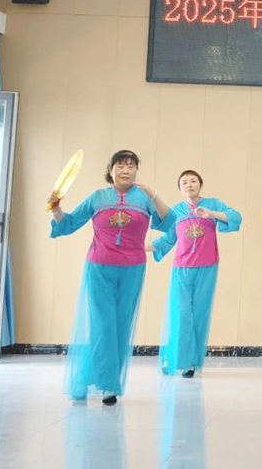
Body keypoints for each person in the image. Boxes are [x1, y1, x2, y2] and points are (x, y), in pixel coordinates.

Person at [49, 149, 170, 403]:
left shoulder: (144, 198)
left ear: (136, 171)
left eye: (131, 165)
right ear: (110, 170)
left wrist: (153, 194)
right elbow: (68, 224)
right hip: (99, 267)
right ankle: (108, 385)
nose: (126, 170)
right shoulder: (97, 197)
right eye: (120, 165)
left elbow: (170, 222)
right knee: (102, 324)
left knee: (121, 325)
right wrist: (56, 208)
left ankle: (105, 379)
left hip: (133, 268)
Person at [148, 169, 242, 378]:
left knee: (199, 314)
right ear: (180, 189)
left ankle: (191, 363)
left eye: (193, 181)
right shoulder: (176, 212)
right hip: (181, 269)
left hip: (207, 267)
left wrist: (211, 214)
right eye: (184, 182)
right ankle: (176, 358)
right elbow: (167, 240)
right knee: (181, 314)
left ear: (200, 184)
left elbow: (236, 217)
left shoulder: (213, 203)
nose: (189, 184)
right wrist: (139, 248)